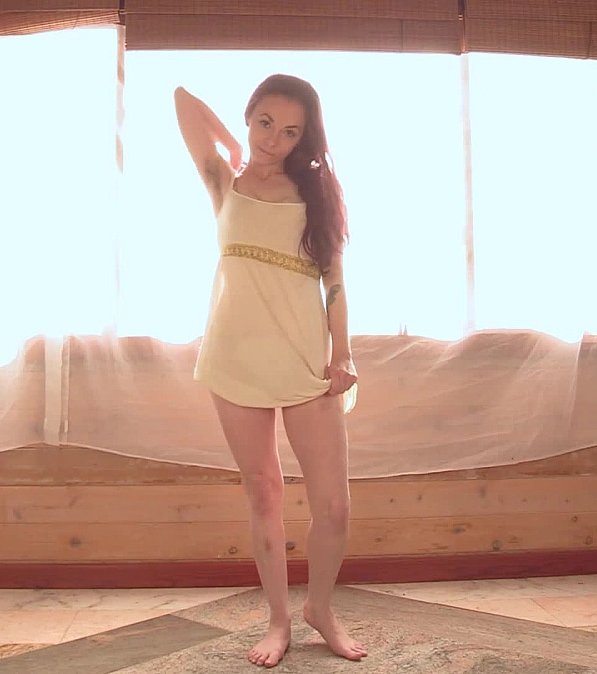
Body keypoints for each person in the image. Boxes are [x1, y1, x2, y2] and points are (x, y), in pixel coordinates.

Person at [174, 74, 365, 668]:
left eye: (290, 132)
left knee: (334, 506)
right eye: (265, 123)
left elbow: (335, 284)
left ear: (305, 139)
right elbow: (182, 101)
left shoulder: (318, 193)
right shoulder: (224, 181)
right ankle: (279, 619)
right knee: (264, 491)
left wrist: (343, 354)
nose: (273, 140)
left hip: (305, 357)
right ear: (249, 115)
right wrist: (236, 145)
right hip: (234, 355)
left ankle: (320, 609)